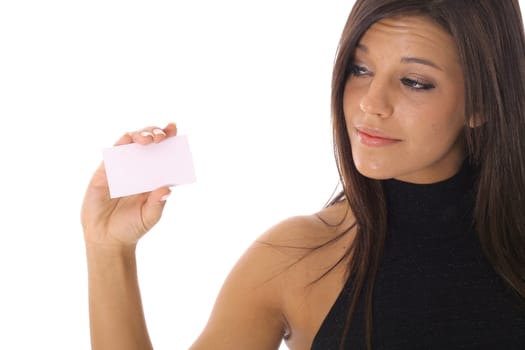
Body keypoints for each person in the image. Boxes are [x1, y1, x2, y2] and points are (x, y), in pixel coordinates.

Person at [81, 0, 525, 349]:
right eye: (360, 69)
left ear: (482, 103)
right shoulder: (296, 260)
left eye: (414, 81)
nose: (371, 102)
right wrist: (109, 250)